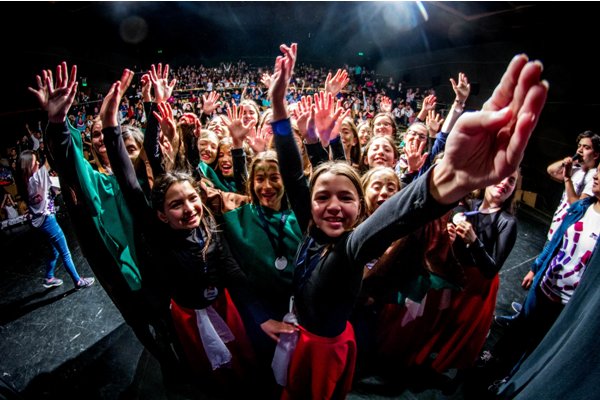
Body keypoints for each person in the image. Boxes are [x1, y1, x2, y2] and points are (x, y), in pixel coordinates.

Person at [270, 43, 547, 399]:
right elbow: (293, 173)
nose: (334, 206)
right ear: (309, 203)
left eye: (346, 198)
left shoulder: (351, 247)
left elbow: (398, 215)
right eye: (323, 197)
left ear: (361, 207)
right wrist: (278, 106)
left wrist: (447, 178)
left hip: (323, 349)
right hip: (301, 333)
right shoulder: (310, 223)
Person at [488, 167, 600, 395]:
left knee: (536, 345)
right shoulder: (581, 207)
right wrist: (535, 269)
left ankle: (511, 382)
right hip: (544, 284)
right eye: (597, 171)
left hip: (567, 302)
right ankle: (492, 363)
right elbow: (555, 241)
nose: (596, 176)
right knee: (519, 329)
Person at [16, 150, 94, 289]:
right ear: (27, 166)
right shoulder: (36, 179)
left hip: (38, 222)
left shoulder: (26, 182)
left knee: (54, 251)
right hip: (47, 221)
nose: (38, 163)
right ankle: (78, 281)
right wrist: (48, 148)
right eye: (35, 162)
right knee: (65, 252)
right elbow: (47, 165)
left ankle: (49, 277)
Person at [545, 130, 600, 241]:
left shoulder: (594, 178)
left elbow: (576, 206)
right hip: (555, 229)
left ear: (595, 155)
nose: (580, 150)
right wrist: (571, 161)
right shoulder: (576, 170)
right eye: (579, 146)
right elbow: (551, 171)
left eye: (586, 147)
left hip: (567, 235)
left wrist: (567, 178)